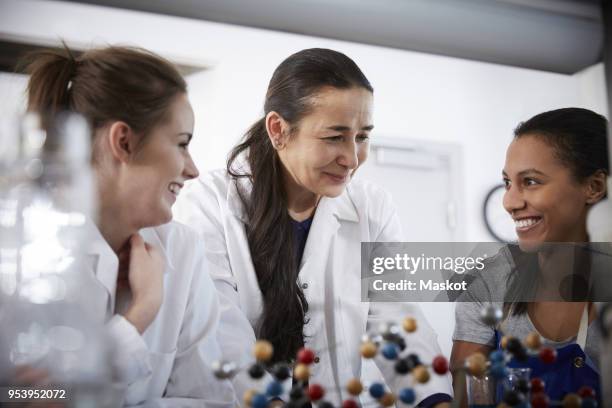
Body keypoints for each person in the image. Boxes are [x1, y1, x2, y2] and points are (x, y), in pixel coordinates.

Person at [174, 48, 453, 406]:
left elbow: (396, 318)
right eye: (334, 137)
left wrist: (435, 400)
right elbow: (220, 331)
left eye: (362, 136)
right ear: (278, 130)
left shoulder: (372, 207)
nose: (352, 159)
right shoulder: (207, 203)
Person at [22, 45, 236, 407]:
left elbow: (212, 400)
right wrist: (140, 316)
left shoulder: (182, 249)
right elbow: (26, 398)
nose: (192, 169)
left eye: (364, 135)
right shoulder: (20, 254)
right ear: (124, 142)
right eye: (181, 144)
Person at [451, 108, 610, 404]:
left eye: (531, 181)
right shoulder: (488, 281)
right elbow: (469, 394)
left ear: (594, 187)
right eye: (508, 182)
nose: (509, 202)